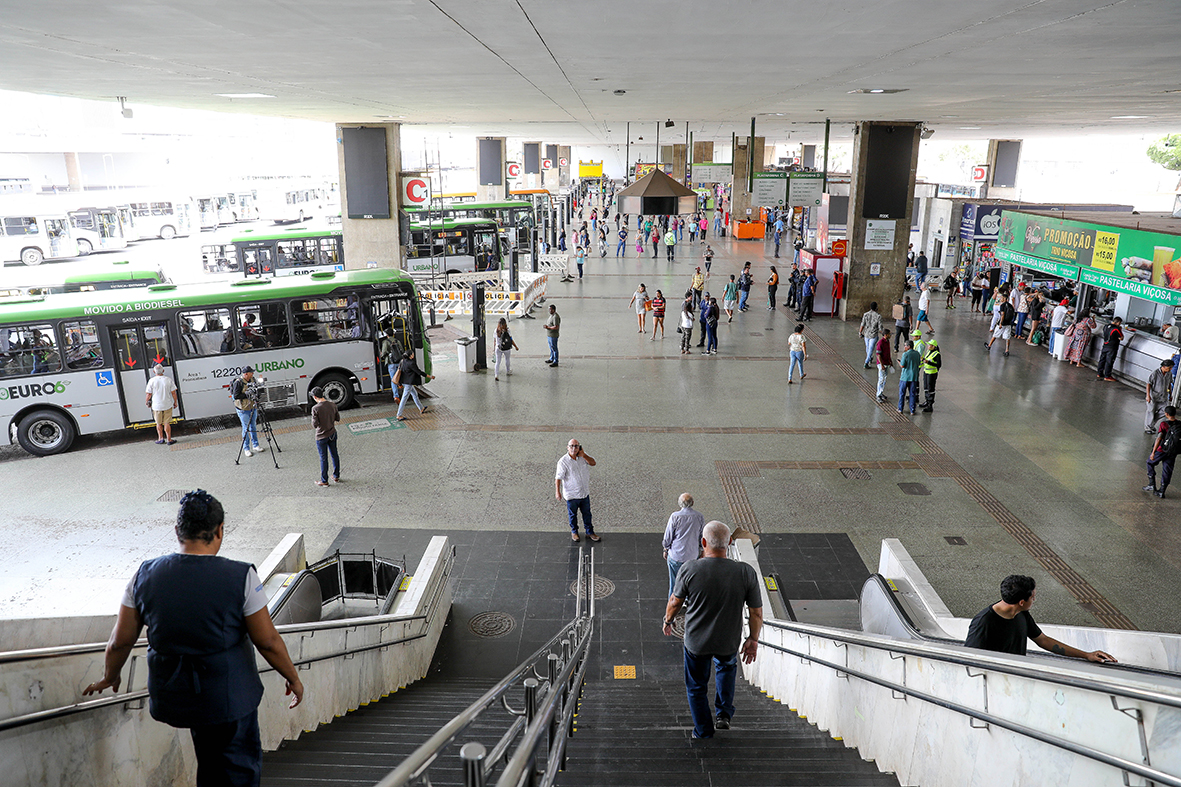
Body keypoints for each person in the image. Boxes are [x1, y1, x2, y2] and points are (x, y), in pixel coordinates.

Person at [83, 490, 305, 786]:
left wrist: (111, 676)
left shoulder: (143, 575)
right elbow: (267, 641)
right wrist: (293, 677)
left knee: (209, 759)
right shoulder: (240, 576)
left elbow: (119, 642)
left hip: (177, 696)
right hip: (229, 698)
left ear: (177, 531)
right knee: (238, 768)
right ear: (220, 530)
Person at [663, 521, 762, 739]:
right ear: (729, 543)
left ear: (703, 542)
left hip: (696, 643)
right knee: (726, 669)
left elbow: (675, 601)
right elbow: (756, 613)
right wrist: (752, 640)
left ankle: (703, 731)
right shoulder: (745, 572)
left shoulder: (690, 568)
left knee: (696, 687)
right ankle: (723, 714)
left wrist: (668, 620)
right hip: (728, 641)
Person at [964, 575, 1117, 663]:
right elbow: (969, 659)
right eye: (1033, 597)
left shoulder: (1020, 613)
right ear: (1022, 602)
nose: (1034, 600)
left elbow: (1043, 640)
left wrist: (1086, 655)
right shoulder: (983, 622)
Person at [556, 438, 599, 542]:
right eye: (571, 446)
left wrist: (584, 455)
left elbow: (593, 463)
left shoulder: (583, 457)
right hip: (572, 495)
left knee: (587, 514)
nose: (574, 448)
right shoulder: (563, 462)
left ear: (580, 447)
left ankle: (589, 532)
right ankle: (574, 532)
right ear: (567, 447)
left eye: (576, 446)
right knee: (573, 515)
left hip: (584, 493)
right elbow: (558, 478)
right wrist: (557, 492)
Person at [662, 493, 706, 596]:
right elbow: (702, 536)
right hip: (692, 556)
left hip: (675, 556)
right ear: (693, 503)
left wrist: (666, 549)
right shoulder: (699, 517)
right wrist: (701, 550)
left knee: (674, 583)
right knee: (690, 582)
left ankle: (673, 605)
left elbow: (668, 537)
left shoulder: (675, 516)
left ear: (679, 504)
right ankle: (688, 602)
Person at [1145, 406, 1180, 498]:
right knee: (1167, 470)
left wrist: (1153, 452)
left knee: (1149, 462)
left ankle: (1152, 484)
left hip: (1162, 450)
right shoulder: (1179, 424)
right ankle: (1162, 491)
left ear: (1166, 414)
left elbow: (1159, 438)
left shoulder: (1164, 424)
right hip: (1173, 451)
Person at [310, 386, 341, 487]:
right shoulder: (332, 404)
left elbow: (314, 425)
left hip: (321, 436)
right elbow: (338, 418)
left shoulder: (315, 408)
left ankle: (324, 480)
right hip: (332, 433)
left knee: (323, 458)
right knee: (334, 454)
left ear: (315, 397)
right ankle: (336, 475)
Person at [230, 366, 261, 457]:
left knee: (253, 426)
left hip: (252, 406)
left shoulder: (253, 380)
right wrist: (247, 394)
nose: (252, 374)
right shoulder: (238, 382)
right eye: (251, 373)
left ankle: (256, 445)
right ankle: (246, 448)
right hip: (243, 409)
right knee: (245, 428)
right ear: (246, 374)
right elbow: (236, 396)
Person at [395, 351, 434, 421]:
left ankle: (421, 408)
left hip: (404, 381)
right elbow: (419, 372)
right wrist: (429, 376)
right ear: (410, 356)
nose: (413, 355)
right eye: (412, 354)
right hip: (408, 383)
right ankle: (399, 415)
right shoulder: (411, 363)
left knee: (414, 394)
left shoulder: (402, 361)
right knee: (404, 398)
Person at [145, 363, 178, 445]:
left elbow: (148, 394)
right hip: (167, 404)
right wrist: (175, 402)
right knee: (167, 423)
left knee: (158, 423)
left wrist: (146, 402)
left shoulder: (151, 381)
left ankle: (160, 438)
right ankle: (169, 440)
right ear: (163, 371)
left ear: (154, 371)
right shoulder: (168, 380)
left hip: (156, 406)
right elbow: (173, 393)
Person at [1146, 359, 1175, 434]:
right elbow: (1148, 384)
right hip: (1154, 396)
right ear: (1164, 366)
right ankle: (1148, 428)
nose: (1170, 369)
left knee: (1164, 410)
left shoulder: (1169, 373)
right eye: (1169, 367)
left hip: (1163, 396)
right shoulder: (1155, 373)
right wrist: (1148, 395)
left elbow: (1169, 384)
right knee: (1150, 411)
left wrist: (1170, 394)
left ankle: (1151, 423)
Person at [1096, 317, 1124, 382]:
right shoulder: (1116, 329)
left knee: (1102, 359)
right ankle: (1107, 376)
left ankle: (1099, 373)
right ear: (1118, 322)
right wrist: (1120, 330)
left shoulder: (1106, 326)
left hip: (1105, 345)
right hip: (1112, 347)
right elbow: (1121, 338)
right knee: (1109, 361)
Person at [898, 340, 920, 415]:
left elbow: (903, 365)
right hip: (914, 377)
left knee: (902, 393)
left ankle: (900, 409)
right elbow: (919, 363)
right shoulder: (917, 354)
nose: (904, 347)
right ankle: (912, 410)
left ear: (909, 346)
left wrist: (899, 362)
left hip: (905, 377)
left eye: (905, 345)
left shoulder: (905, 354)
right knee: (912, 394)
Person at [919, 337, 941, 412]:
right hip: (926, 372)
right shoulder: (928, 351)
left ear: (933, 346)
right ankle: (926, 401)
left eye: (929, 345)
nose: (928, 346)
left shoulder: (937, 354)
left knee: (930, 388)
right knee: (926, 387)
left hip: (932, 373)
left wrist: (929, 362)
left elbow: (938, 364)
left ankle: (930, 404)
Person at [859, 302, 883, 369]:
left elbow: (862, 324)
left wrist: (860, 332)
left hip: (866, 334)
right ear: (876, 308)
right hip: (874, 335)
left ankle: (869, 358)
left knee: (868, 347)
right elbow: (880, 328)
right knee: (871, 348)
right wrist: (884, 333)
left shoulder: (865, 314)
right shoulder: (878, 316)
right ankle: (866, 362)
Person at [873, 328, 894, 403]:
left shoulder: (887, 341)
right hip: (882, 364)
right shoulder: (881, 342)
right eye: (889, 334)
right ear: (885, 335)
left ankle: (881, 392)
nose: (890, 335)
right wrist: (881, 365)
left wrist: (890, 361)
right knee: (881, 379)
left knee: (884, 379)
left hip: (886, 363)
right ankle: (878, 395)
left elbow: (888, 353)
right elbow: (878, 355)